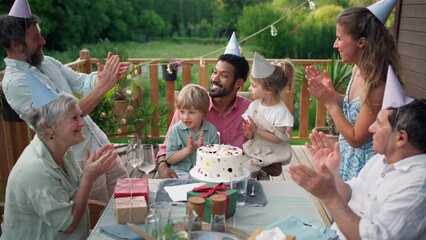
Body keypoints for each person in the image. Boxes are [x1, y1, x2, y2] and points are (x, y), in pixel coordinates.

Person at [0, 6, 129, 202]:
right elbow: (63, 120)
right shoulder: (16, 83)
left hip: (100, 145)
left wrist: (100, 78)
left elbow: (81, 82)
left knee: (129, 201)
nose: (43, 41)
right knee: (101, 220)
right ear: (16, 44)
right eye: (36, 38)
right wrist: (103, 87)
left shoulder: (47, 62)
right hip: (79, 160)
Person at [289, 70, 426, 239]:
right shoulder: (379, 160)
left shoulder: (417, 185)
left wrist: (328, 195)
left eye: (379, 123)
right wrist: (332, 173)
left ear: (400, 137)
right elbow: (349, 194)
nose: (371, 128)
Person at [2, 77, 118, 239]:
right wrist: (88, 177)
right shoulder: (36, 168)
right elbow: (68, 224)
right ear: (48, 127)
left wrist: (90, 171)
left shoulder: (63, 153)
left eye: (80, 116)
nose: (81, 123)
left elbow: (73, 195)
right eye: (74, 118)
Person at [305, 0, 402, 181]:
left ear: (361, 42)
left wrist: (330, 103)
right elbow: (354, 108)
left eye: (340, 38)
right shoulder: (357, 69)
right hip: (347, 161)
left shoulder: (377, 84)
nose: (335, 44)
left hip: (365, 169)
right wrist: (330, 94)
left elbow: (357, 138)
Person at [156, 31, 254, 179]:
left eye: (224, 75)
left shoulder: (250, 111)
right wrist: (162, 166)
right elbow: (165, 149)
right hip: (194, 176)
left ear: (238, 83)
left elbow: (263, 150)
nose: (215, 78)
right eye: (215, 72)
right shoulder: (191, 106)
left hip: (234, 179)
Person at [242, 52, 294, 178]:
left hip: (273, 149)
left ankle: (264, 171)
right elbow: (251, 133)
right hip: (256, 147)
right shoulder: (254, 106)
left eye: (254, 86)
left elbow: (278, 139)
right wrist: (249, 133)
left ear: (269, 90)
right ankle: (259, 173)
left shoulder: (281, 111)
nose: (249, 88)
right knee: (244, 168)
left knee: (254, 171)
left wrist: (257, 130)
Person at [166, 84, 220, 179]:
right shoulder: (176, 130)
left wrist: (203, 151)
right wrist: (187, 150)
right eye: (182, 112)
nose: (185, 117)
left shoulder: (211, 130)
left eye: (191, 112)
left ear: (203, 112)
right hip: (180, 172)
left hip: (204, 172)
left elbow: (217, 159)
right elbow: (170, 159)